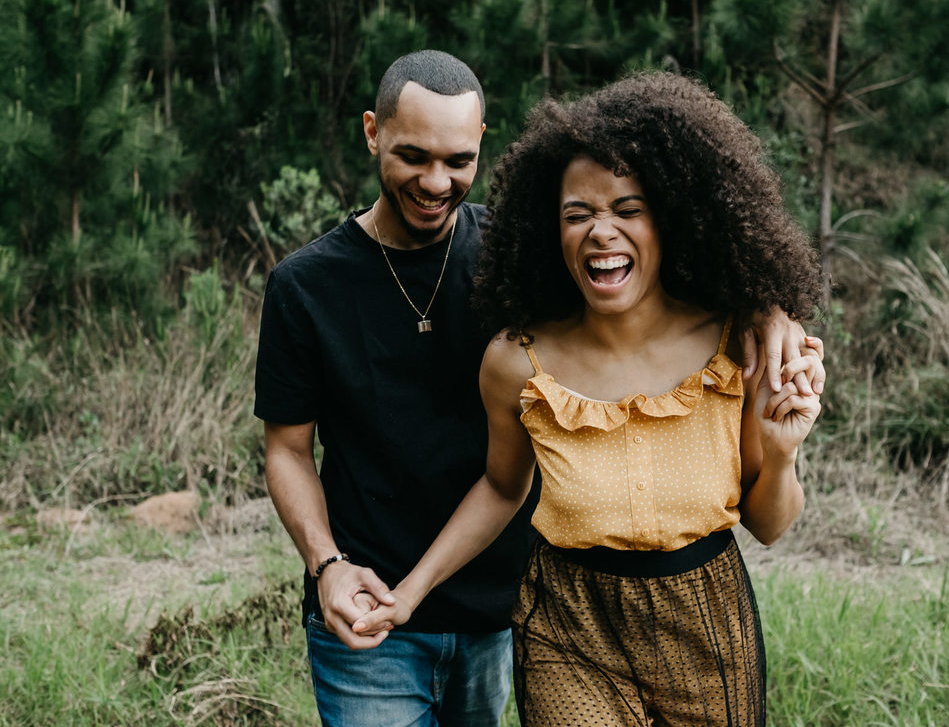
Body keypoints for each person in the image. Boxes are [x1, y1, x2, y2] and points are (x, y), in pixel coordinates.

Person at [255, 51, 822, 727]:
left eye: (458, 160)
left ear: (482, 148)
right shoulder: (311, 288)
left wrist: (770, 307)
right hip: (396, 603)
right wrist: (328, 567)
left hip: (503, 607)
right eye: (415, 155)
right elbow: (290, 451)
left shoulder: (518, 253)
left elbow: (664, 270)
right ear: (373, 132)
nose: (437, 181)